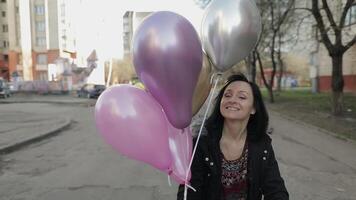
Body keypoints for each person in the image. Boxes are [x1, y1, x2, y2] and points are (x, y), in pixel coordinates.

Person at [177, 73, 288, 200]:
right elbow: (189, 192)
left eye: (242, 97)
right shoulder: (201, 143)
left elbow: (276, 189)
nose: (232, 100)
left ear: (253, 108)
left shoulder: (262, 144)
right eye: (227, 95)